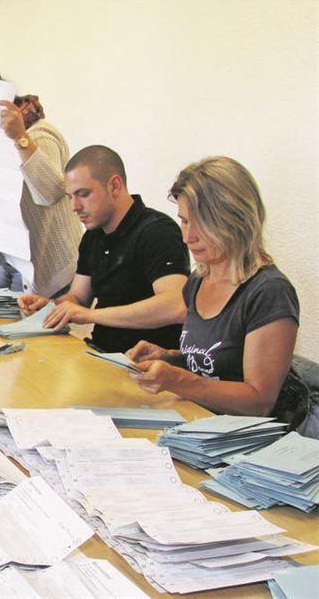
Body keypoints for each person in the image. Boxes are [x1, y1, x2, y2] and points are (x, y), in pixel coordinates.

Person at [127, 157, 309, 428]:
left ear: (234, 219)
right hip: (200, 425)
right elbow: (217, 363)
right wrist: (171, 358)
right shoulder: (199, 280)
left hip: (252, 443)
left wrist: (177, 380)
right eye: (184, 221)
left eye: (199, 223)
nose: (188, 236)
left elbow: (259, 401)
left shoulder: (269, 292)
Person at [18, 146, 189, 353]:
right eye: (70, 196)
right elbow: (78, 297)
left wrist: (91, 315)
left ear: (115, 186)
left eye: (83, 194)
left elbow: (175, 305)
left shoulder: (158, 231)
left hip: (144, 364)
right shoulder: (93, 236)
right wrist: (51, 307)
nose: (75, 206)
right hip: (101, 353)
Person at [0, 69, 81, 296]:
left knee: (30, 330)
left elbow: (50, 192)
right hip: (12, 256)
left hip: (47, 262)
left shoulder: (41, 136)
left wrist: (20, 139)